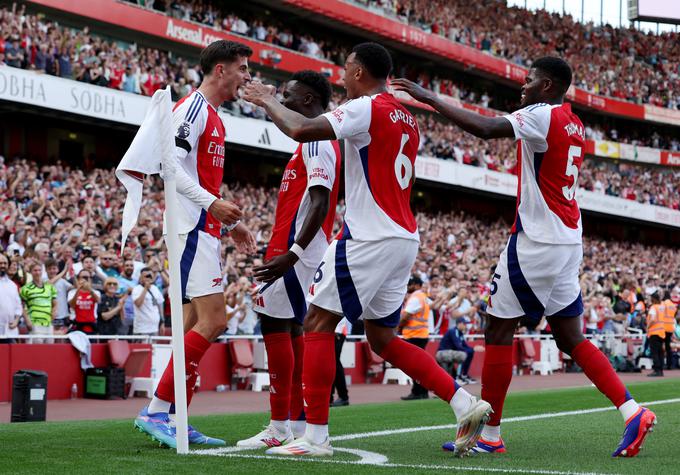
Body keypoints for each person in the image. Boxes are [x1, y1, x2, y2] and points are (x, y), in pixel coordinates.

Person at [393, 56, 655, 458]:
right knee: (570, 336)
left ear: (549, 86)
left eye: (530, 80)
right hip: (568, 239)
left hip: (537, 240)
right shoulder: (574, 122)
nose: (523, 86)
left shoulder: (542, 114)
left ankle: (491, 435)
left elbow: (484, 129)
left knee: (498, 329)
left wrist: (429, 98)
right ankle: (631, 410)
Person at [244, 42, 490, 457]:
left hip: (368, 236)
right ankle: (464, 402)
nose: (340, 78)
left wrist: (268, 99)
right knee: (382, 338)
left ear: (358, 70)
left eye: (344, 68)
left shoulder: (368, 106)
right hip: (403, 238)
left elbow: (302, 129)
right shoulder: (408, 117)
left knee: (318, 323)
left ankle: (315, 438)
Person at [135, 39, 257, 449]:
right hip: (189, 227)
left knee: (190, 325)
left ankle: (173, 415)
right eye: (241, 68)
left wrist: (227, 223)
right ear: (220, 69)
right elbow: (168, 167)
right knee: (214, 320)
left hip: (202, 227)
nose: (246, 76)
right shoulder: (192, 109)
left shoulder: (216, 116)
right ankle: (156, 411)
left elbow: (198, 178)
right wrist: (212, 204)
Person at [237, 70, 341, 449]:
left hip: (297, 252)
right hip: (291, 248)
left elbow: (320, 199)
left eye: (290, 96)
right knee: (290, 328)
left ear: (310, 101)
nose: (284, 101)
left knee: (278, 326)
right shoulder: (307, 144)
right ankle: (293, 423)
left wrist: (293, 254)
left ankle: (282, 426)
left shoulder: (317, 143)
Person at [399, 276, 432, 400]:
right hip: (421, 334)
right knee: (419, 366)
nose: (408, 286)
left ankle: (417, 392)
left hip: (414, 336)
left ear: (418, 285)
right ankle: (422, 391)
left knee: (414, 366)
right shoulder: (423, 297)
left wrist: (397, 327)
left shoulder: (415, 298)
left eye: (411, 284)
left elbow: (406, 316)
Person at [20, 262, 57, 344]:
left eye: (39, 270)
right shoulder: (25, 289)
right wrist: (27, 320)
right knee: (35, 351)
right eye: (35, 270)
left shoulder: (49, 287)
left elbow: (55, 303)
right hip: (34, 324)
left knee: (49, 350)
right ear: (31, 272)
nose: (37, 272)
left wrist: (55, 310)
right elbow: (21, 306)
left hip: (48, 323)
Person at [436, 318, 477, 385]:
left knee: (469, 352)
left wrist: (472, 349)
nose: (465, 326)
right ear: (459, 323)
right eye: (464, 324)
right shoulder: (453, 331)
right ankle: (458, 378)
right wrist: (472, 349)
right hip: (442, 353)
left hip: (448, 353)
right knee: (463, 355)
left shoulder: (460, 333)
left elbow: (465, 346)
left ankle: (464, 375)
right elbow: (458, 347)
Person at [131, 268, 164, 337]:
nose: (148, 278)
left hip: (155, 327)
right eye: (146, 276)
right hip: (142, 329)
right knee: (142, 348)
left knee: (153, 347)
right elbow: (138, 304)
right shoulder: (136, 289)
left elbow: (160, 306)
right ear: (141, 278)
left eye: (150, 276)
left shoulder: (155, 288)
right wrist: (145, 288)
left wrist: (162, 322)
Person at [67, 269, 101, 334]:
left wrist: (89, 289)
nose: (85, 280)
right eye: (83, 277)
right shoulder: (72, 292)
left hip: (91, 325)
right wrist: (78, 290)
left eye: (87, 277)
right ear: (78, 279)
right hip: (77, 324)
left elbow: (98, 301)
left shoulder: (96, 292)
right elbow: (72, 305)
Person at [0, 253, 23, 344]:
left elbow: (18, 306)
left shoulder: (12, 285)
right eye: (0, 263)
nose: (3, 266)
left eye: (5, 263)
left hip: (9, 331)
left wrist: (17, 320)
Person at [330, 318, 350, 407]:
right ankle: (331, 397)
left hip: (336, 331)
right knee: (331, 364)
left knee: (334, 363)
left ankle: (343, 396)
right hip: (332, 331)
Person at [646, 292, 666, 378]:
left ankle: (656, 370)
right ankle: (660, 370)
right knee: (660, 352)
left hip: (654, 332)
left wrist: (647, 327)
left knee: (655, 353)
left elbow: (653, 319)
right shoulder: (661, 307)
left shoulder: (653, 307)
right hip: (661, 332)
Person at [661, 291, 677, 370]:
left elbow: (661, 314)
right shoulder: (673, 305)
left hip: (663, 327)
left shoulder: (664, 304)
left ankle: (662, 364)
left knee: (662, 347)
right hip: (670, 327)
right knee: (668, 347)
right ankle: (669, 364)